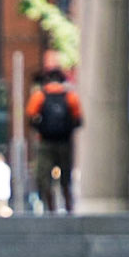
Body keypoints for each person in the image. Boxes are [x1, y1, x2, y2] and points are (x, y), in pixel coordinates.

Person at [25, 63, 82, 213]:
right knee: (66, 177)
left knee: (43, 176)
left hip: (45, 142)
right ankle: (68, 206)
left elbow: (30, 116)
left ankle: (51, 207)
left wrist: (41, 129)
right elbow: (78, 120)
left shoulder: (39, 96)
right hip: (64, 142)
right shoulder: (70, 96)